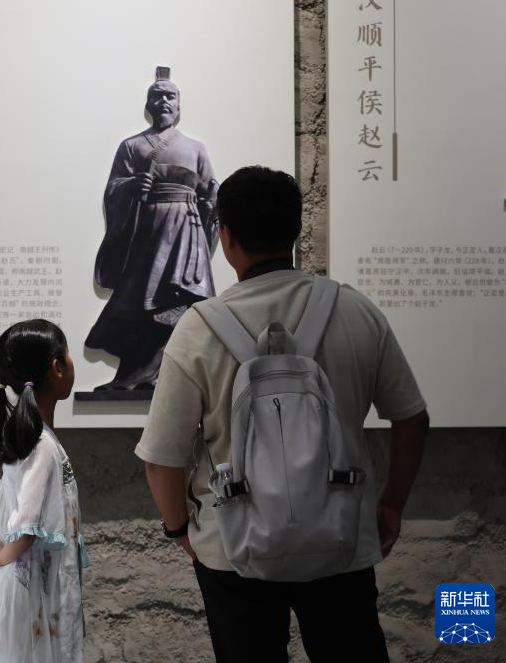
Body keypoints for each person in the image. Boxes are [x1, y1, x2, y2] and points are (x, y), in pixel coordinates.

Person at [136, 166, 430, 662]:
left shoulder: (198, 328)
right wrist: (391, 504)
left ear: (226, 236)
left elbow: (161, 459)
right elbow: (412, 419)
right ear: (295, 230)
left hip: (233, 546)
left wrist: (180, 530)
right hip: (340, 537)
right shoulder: (355, 310)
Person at [86, 67, 220, 391]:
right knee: (139, 302)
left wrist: (211, 206)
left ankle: (164, 373)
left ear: (179, 104)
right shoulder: (131, 146)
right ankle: (136, 373)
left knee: (177, 303)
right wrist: (132, 186)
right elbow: (112, 189)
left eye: (170, 96)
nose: (163, 101)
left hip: (185, 233)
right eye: (157, 96)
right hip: (147, 234)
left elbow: (210, 194)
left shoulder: (196, 148)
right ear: (148, 104)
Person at [0, 319, 87, 663]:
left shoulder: (34, 439)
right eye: (67, 355)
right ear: (57, 368)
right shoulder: (41, 445)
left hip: (35, 582)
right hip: (34, 589)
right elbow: (27, 527)